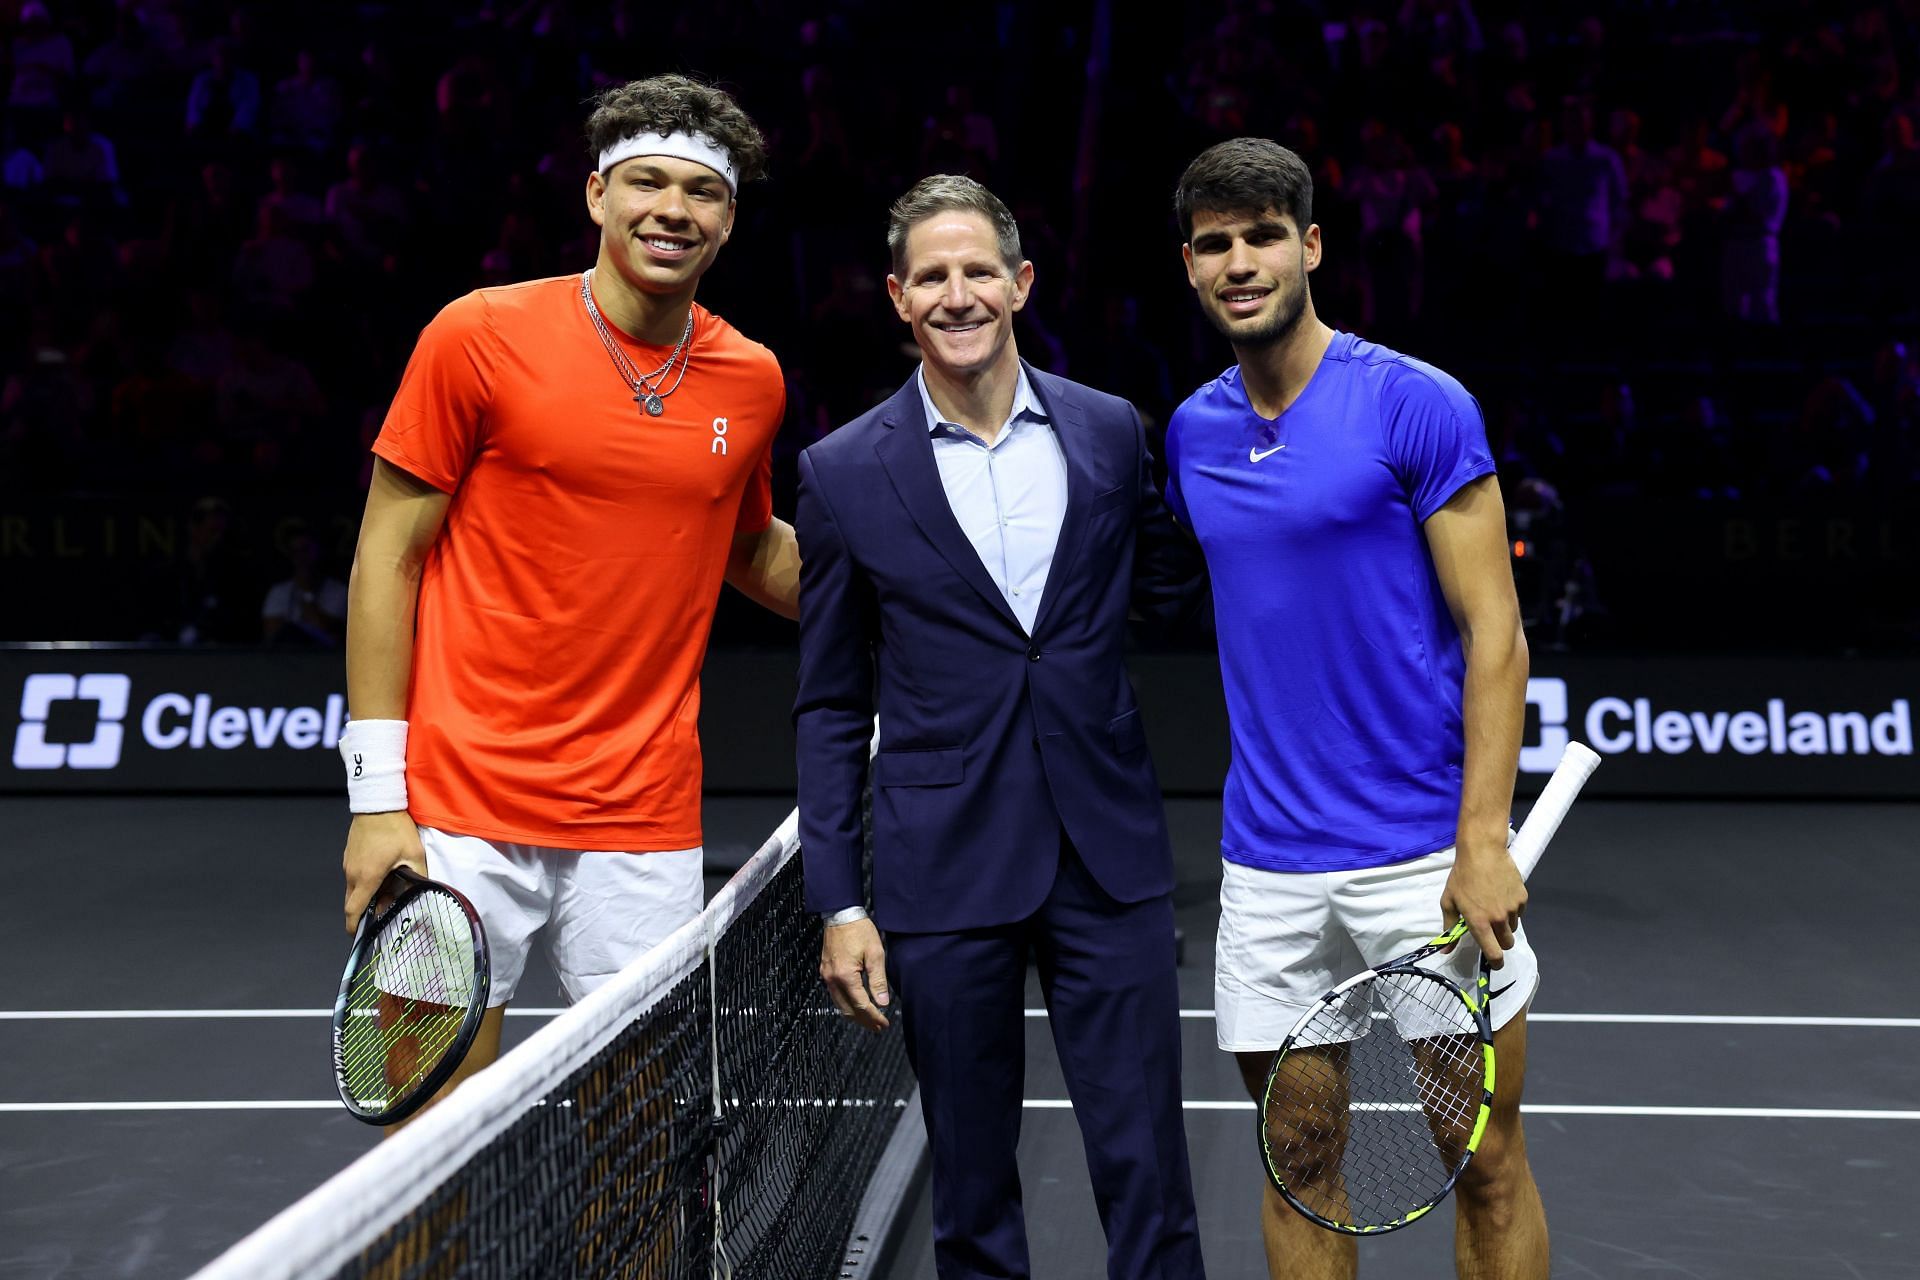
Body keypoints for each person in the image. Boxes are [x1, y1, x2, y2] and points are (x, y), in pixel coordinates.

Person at [339, 74, 798, 1117]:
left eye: (701, 192)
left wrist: (923, 603)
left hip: (641, 817)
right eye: (646, 182)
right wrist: (377, 798)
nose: (671, 210)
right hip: (458, 806)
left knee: (642, 1145)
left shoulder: (751, 379)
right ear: (597, 195)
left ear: (729, 220)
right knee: (432, 1147)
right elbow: (385, 561)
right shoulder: (476, 335)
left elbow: (748, 546)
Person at [794, 175, 1206, 1280]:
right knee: (970, 1192)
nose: (958, 292)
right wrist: (839, 897)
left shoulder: (1112, 432)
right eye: (932, 275)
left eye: (979, 270)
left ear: (1020, 284)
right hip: (942, 870)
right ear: (898, 297)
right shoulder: (839, 474)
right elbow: (833, 702)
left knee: (1151, 1174)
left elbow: (1164, 582)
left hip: (1105, 854)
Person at [1166, 138, 1542, 1279]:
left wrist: (1481, 838)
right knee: (1298, 1152)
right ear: (1190, 265)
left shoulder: (1415, 404)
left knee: (1479, 1157)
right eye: (1217, 243)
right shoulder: (1192, 433)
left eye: (1264, 235)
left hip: (1421, 859)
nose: (1242, 262)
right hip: (1270, 869)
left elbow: (1498, 634)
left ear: (1310, 244)